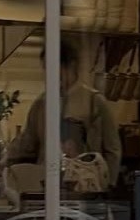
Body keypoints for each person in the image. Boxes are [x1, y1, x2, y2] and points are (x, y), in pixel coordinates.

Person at [7, 42, 122, 190]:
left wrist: (109, 184)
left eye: (56, 68)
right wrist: (5, 159)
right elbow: (28, 141)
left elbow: (113, 148)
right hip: (47, 183)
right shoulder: (42, 103)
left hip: (84, 183)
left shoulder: (94, 101)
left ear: (71, 65)